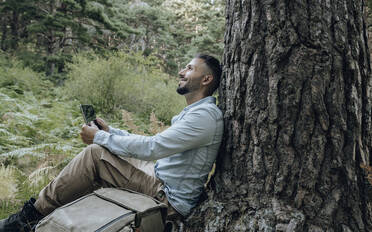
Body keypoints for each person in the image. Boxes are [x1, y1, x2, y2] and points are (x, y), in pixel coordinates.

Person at [0, 54, 224, 232]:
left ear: (206, 79)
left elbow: (152, 147)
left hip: (168, 196)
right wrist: (110, 132)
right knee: (105, 148)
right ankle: (55, 217)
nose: (181, 71)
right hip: (160, 175)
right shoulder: (198, 113)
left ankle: (28, 219)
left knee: (95, 154)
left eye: (190, 68)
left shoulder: (203, 117)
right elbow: (152, 144)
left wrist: (98, 137)